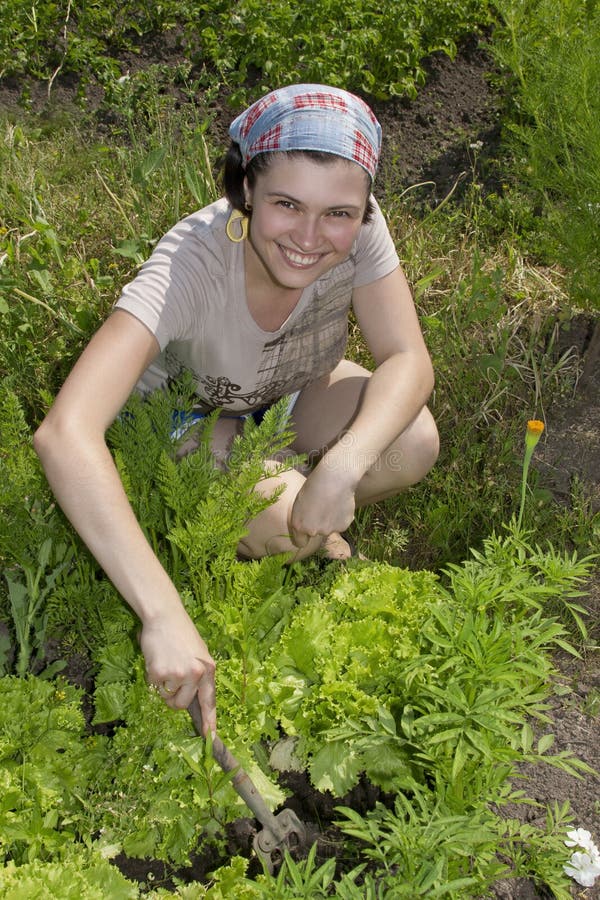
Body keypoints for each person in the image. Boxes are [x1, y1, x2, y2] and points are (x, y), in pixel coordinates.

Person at [33, 84, 439, 736]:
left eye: (338, 213)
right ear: (245, 187)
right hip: (180, 424)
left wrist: (342, 468)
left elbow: (408, 360)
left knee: (409, 442)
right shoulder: (192, 262)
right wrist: (161, 614)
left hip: (282, 400)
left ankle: (280, 500)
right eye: (285, 204)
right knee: (293, 527)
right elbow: (64, 433)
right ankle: (242, 533)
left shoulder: (360, 228)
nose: (310, 237)